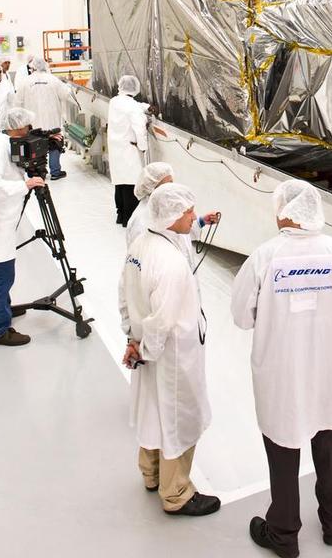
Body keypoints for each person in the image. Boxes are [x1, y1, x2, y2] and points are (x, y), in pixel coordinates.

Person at [231, 180, 332, 558]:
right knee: (330, 448)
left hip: (282, 377)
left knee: (283, 454)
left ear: (287, 211)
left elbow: (241, 316)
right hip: (328, 372)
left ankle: (283, 534)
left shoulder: (264, 257)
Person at [119, 183, 220, 517]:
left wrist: (132, 342)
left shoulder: (141, 245)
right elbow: (162, 321)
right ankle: (176, 493)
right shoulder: (171, 262)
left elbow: (123, 293)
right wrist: (146, 350)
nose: (193, 216)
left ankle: (150, 474)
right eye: (189, 212)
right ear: (173, 215)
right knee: (179, 419)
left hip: (145, 347)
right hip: (172, 354)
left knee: (152, 411)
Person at [0, 106, 45, 346]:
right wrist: (25, 186)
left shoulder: (7, 143)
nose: (29, 131)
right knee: (1, 276)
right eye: (27, 127)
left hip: (1, 220)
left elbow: (12, 170)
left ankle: (2, 308)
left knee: (3, 274)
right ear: (18, 127)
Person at [127, 162, 221, 261]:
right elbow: (141, 260)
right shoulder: (141, 222)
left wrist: (201, 221)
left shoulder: (164, 208)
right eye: (167, 184)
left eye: (171, 183)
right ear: (152, 188)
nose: (171, 188)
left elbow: (177, 234)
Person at [15, 58, 73, 180]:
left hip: (32, 121)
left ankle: (37, 173)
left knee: (35, 146)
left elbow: (18, 102)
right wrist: (68, 83)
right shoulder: (53, 80)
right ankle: (55, 172)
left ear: (33, 68)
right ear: (45, 66)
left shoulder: (25, 82)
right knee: (54, 143)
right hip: (52, 120)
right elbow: (66, 94)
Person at [108, 75, 149, 227]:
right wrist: (143, 147)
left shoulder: (114, 101)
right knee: (131, 183)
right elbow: (139, 128)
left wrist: (146, 107)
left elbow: (132, 106)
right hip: (130, 148)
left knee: (119, 182)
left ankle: (120, 215)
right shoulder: (132, 107)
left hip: (116, 146)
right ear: (135, 88)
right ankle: (129, 219)